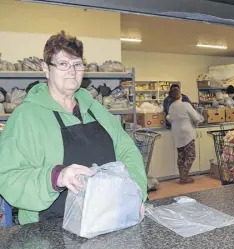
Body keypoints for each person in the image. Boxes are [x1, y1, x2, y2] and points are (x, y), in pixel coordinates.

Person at [0, 31, 147, 225]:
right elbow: (8, 177)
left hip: (106, 219)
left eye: (77, 64)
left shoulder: (96, 109)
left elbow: (128, 151)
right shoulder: (26, 117)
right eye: (63, 64)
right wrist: (56, 177)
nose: (72, 71)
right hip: (50, 229)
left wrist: (135, 193)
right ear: (46, 68)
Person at [166, 87, 203, 184]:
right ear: (180, 95)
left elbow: (169, 118)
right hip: (187, 134)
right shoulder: (186, 105)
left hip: (177, 134)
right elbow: (196, 118)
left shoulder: (171, 107)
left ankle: (181, 176)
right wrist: (195, 125)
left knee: (181, 156)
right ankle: (184, 176)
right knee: (191, 155)